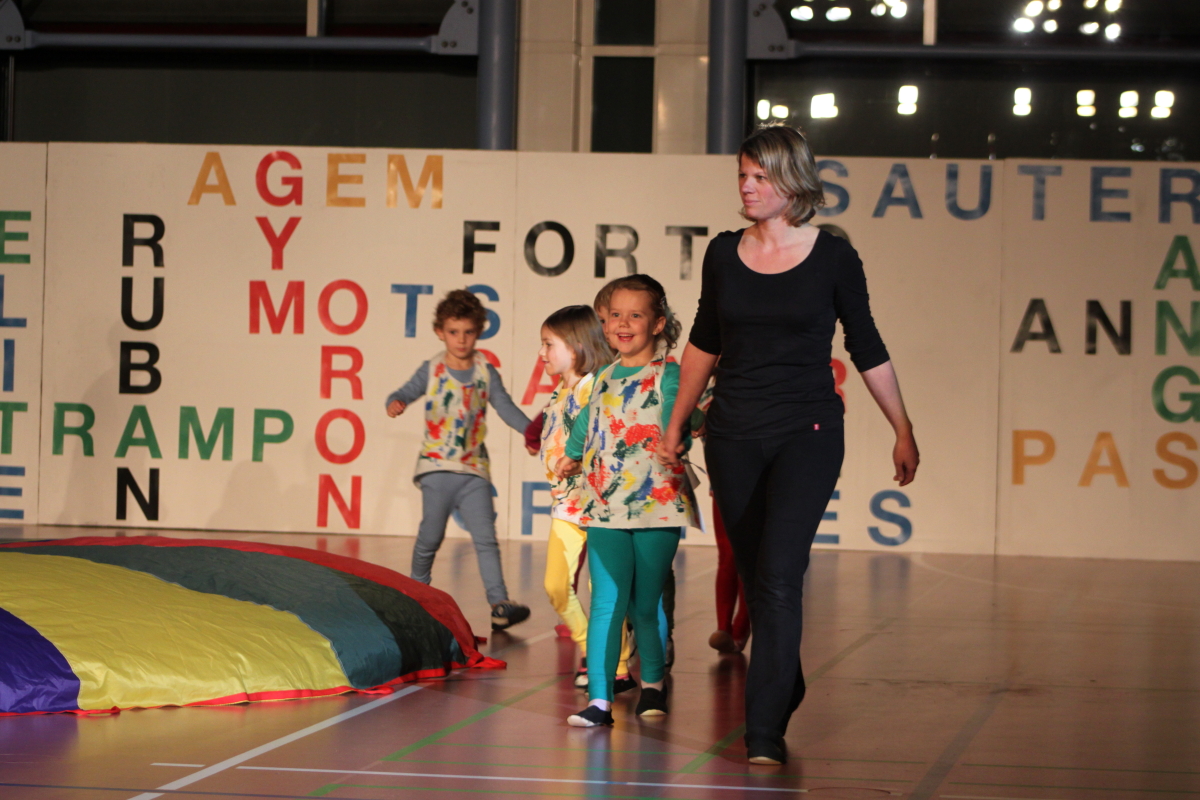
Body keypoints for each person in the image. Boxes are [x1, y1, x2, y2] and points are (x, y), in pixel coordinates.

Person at [657, 124, 919, 765]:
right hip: (733, 435)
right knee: (755, 573)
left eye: (760, 176)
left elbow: (866, 345)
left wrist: (902, 427)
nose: (746, 186)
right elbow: (703, 342)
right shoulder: (723, 253)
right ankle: (783, 679)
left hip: (808, 433)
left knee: (778, 574)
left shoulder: (833, 257)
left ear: (792, 181)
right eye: (742, 175)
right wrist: (675, 423)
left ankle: (764, 728)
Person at [556, 275, 697, 727]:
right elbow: (587, 421)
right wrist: (571, 454)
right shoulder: (602, 376)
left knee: (645, 603)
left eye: (635, 315)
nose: (622, 323)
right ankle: (599, 700)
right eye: (615, 315)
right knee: (606, 602)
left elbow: (677, 408)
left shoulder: (668, 373)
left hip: (657, 504)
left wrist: (678, 430)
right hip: (604, 504)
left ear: (657, 324)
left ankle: (652, 684)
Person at [386, 288, 533, 631]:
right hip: (436, 469)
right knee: (430, 536)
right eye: (454, 332)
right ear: (440, 332)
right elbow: (405, 391)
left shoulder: (485, 371)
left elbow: (505, 407)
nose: (461, 339)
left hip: (474, 471)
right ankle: (416, 593)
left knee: (486, 539)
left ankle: (499, 603)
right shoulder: (433, 368)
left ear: (479, 331)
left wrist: (532, 432)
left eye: (468, 332)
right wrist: (395, 401)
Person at [536, 305, 636, 694]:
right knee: (556, 585)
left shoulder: (593, 387)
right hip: (566, 505)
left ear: (577, 347)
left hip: (597, 505)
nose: (542, 353)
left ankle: (616, 663)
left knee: (602, 592)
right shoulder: (560, 391)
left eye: (549, 344)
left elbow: (607, 435)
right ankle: (590, 646)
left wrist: (580, 458)